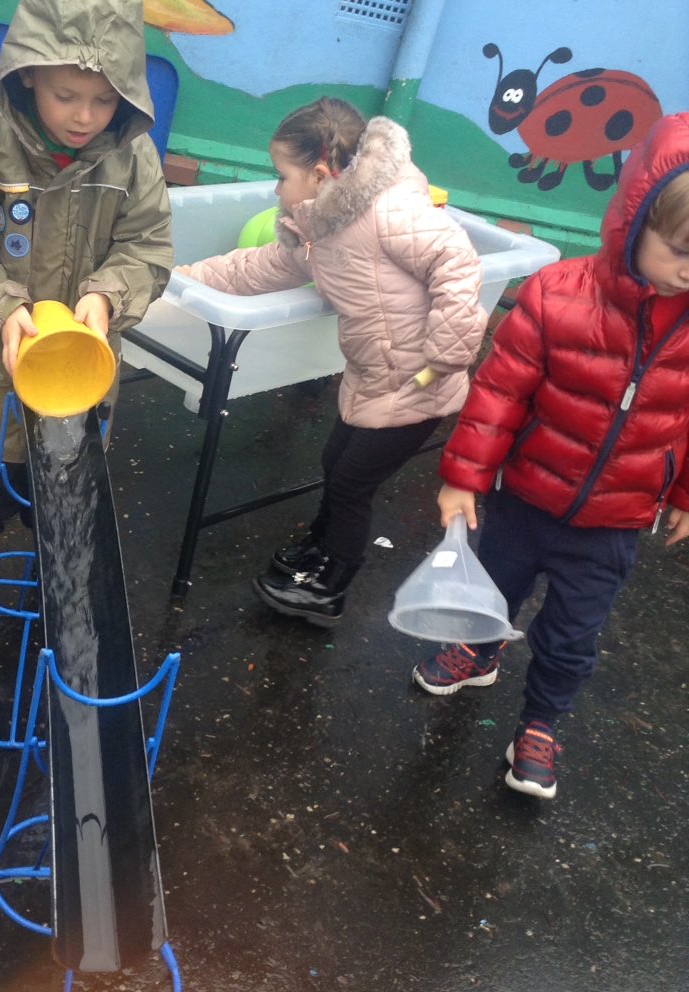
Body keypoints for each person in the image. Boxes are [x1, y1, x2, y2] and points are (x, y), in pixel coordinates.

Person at [412, 112, 689, 800]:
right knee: (491, 591)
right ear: (635, 221)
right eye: (680, 249)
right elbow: (499, 393)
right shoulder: (557, 293)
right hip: (525, 500)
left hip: (613, 525)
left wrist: (684, 494)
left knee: (571, 636)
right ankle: (479, 651)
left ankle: (540, 724)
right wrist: (463, 477)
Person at [177, 98, 487, 626]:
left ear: (320, 175)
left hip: (420, 380)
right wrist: (186, 279)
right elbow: (262, 267)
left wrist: (446, 355)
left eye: (282, 176)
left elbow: (457, 263)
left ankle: (331, 584)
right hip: (372, 373)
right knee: (335, 463)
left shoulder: (389, 212)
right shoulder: (321, 226)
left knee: (350, 483)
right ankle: (320, 547)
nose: (277, 189)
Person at [0, 0, 173, 622]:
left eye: (105, 101)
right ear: (28, 74)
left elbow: (146, 245)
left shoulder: (133, 157)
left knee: (62, 490)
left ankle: (53, 580)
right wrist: (0, 304)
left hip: (78, 368)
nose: (85, 117)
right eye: (66, 96)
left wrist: (107, 295)